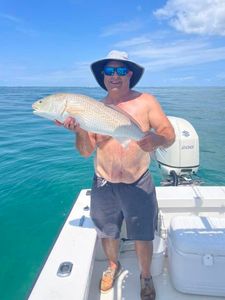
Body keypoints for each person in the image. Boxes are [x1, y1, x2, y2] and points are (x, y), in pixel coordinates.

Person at [60, 50, 175, 300]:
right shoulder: (93, 108)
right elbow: (85, 151)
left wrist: (156, 139)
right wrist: (79, 131)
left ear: (130, 74)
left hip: (138, 182)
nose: (114, 76)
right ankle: (113, 265)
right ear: (103, 76)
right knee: (107, 231)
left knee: (143, 234)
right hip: (104, 183)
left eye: (121, 71)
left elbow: (169, 133)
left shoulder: (146, 101)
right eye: (109, 71)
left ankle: (145, 276)